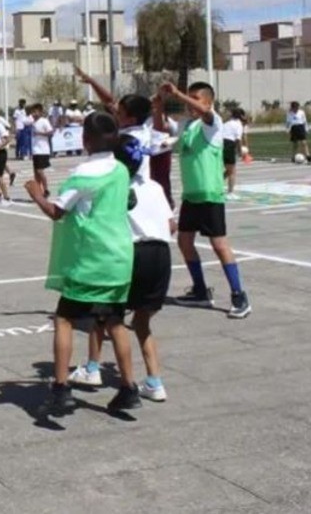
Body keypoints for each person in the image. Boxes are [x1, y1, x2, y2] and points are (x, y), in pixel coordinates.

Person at [26, 113, 139, 416]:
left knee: (64, 318)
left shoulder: (82, 174)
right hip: (119, 258)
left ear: (85, 140)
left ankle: (61, 388)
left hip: (91, 259)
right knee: (114, 321)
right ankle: (129, 386)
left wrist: (36, 193)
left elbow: (57, 211)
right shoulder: (120, 170)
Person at [65, 134, 174, 403]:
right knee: (141, 321)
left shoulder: (116, 187)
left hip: (130, 253)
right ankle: (154, 381)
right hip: (161, 254)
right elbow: (171, 225)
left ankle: (93, 368)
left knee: (104, 313)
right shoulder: (154, 187)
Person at [161, 82, 252, 319]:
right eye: (188, 98)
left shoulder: (213, 124)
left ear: (208, 103)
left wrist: (179, 94)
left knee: (219, 245)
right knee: (184, 242)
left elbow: (206, 113)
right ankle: (200, 289)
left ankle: (239, 295)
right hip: (191, 195)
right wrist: (158, 103)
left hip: (210, 195)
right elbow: (163, 127)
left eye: (196, 99)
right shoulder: (187, 126)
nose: (189, 103)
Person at [29, 103, 54, 198]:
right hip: (35, 150)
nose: (33, 113)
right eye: (32, 112)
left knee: (40, 171)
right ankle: (39, 192)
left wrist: (40, 133)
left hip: (43, 150)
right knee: (36, 173)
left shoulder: (44, 121)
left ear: (40, 112)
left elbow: (51, 132)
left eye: (35, 112)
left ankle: (46, 189)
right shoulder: (33, 122)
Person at [222, 109, 248, 198]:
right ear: (241, 116)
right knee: (232, 171)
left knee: (229, 169)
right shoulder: (238, 125)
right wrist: (241, 152)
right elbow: (238, 140)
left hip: (220, 145)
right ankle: (230, 193)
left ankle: (216, 184)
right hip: (229, 144)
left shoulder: (226, 123)